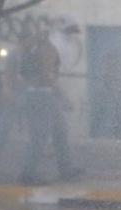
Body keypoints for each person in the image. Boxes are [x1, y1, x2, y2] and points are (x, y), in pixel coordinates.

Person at [18, 29, 81, 184]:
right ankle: (28, 173)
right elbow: (47, 75)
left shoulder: (36, 50)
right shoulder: (47, 49)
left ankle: (65, 168)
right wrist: (63, 96)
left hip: (40, 95)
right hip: (42, 96)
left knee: (60, 131)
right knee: (40, 137)